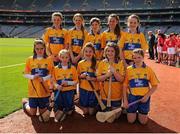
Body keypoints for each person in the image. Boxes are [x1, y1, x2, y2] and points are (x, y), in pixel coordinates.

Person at [123, 48, 159, 125]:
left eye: (139, 57)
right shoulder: (129, 70)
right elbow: (125, 85)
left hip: (144, 98)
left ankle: (141, 113)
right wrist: (125, 100)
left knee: (143, 122)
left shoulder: (148, 70)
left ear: (143, 57)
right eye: (134, 58)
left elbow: (155, 85)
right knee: (131, 121)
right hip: (132, 97)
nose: (137, 60)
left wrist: (147, 96)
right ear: (132, 58)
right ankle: (133, 111)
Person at [22, 39, 54, 119]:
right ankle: (25, 103)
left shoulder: (49, 60)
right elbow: (25, 74)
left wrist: (44, 78)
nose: (39, 51)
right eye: (37, 49)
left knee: (42, 113)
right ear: (34, 49)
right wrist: (33, 77)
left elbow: (51, 74)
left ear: (44, 48)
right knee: (33, 113)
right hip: (33, 90)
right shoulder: (30, 59)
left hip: (44, 89)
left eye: (41, 48)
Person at [97, 42, 125, 123]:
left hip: (116, 95)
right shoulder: (102, 63)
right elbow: (98, 79)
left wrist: (114, 72)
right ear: (105, 52)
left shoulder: (120, 63)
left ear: (116, 52)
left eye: (112, 51)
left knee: (114, 117)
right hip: (104, 95)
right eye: (108, 51)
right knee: (109, 118)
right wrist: (107, 75)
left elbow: (121, 79)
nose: (110, 53)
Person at [52, 49, 78, 122]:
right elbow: (53, 81)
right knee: (57, 111)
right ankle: (61, 108)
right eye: (62, 57)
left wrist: (68, 83)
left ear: (69, 58)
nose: (64, 59)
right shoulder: (55, 69)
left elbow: (76, 81)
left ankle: (70, 107)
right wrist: (57, 86)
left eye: (66, 57)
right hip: (59, 91)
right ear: (59, 58)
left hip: (69, 91)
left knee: (69, 112)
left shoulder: (73, 68)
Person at [77, 42, 99, 115]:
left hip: (93, 90)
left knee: (91, 112)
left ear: (93, 53)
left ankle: (97, 105)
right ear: (83, 52)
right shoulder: (80, 63)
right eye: (86, 51)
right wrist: (81, 76)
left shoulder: (97, 63)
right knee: (85, 112)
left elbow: (99, 78)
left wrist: (92, 78)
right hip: (83, 89)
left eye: (90, 51)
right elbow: (77, 77)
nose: (88, 53)